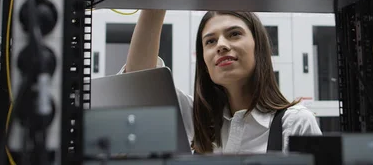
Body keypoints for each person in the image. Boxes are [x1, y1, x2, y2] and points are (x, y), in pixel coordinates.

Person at [119, 9, 322, 154]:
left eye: (234, 34)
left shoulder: (295, 123)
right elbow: (140, 79)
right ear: (204, 61)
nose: (222, 45)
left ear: (258, 47)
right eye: (210, 41)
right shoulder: (195, 117)